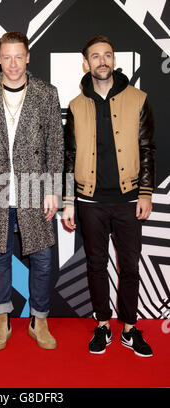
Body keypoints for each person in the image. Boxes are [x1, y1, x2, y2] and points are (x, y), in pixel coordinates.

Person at [63, 35, 155, 357]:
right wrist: (69, 201)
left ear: (114, 60)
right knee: (96, 265)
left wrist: (145, 192)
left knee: (130, 265)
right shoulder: (76, 106)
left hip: (129, 198)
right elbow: (69, 156)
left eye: (108, 55)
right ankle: (102, 324)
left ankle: (130, 328)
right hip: (90, 201)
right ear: (86, 63)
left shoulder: (139, 99)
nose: (102, 61)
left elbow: (147, 149)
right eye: (95, 56)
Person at [0, 32, 64, 350]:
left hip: (35, 187)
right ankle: (2, 320)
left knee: (41, 257)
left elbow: (55, 144)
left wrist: (54, 188)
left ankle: (39, 319)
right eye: (6, 57)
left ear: (28, 57)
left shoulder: (46, 93)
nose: (12, 63)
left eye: (18, 56)